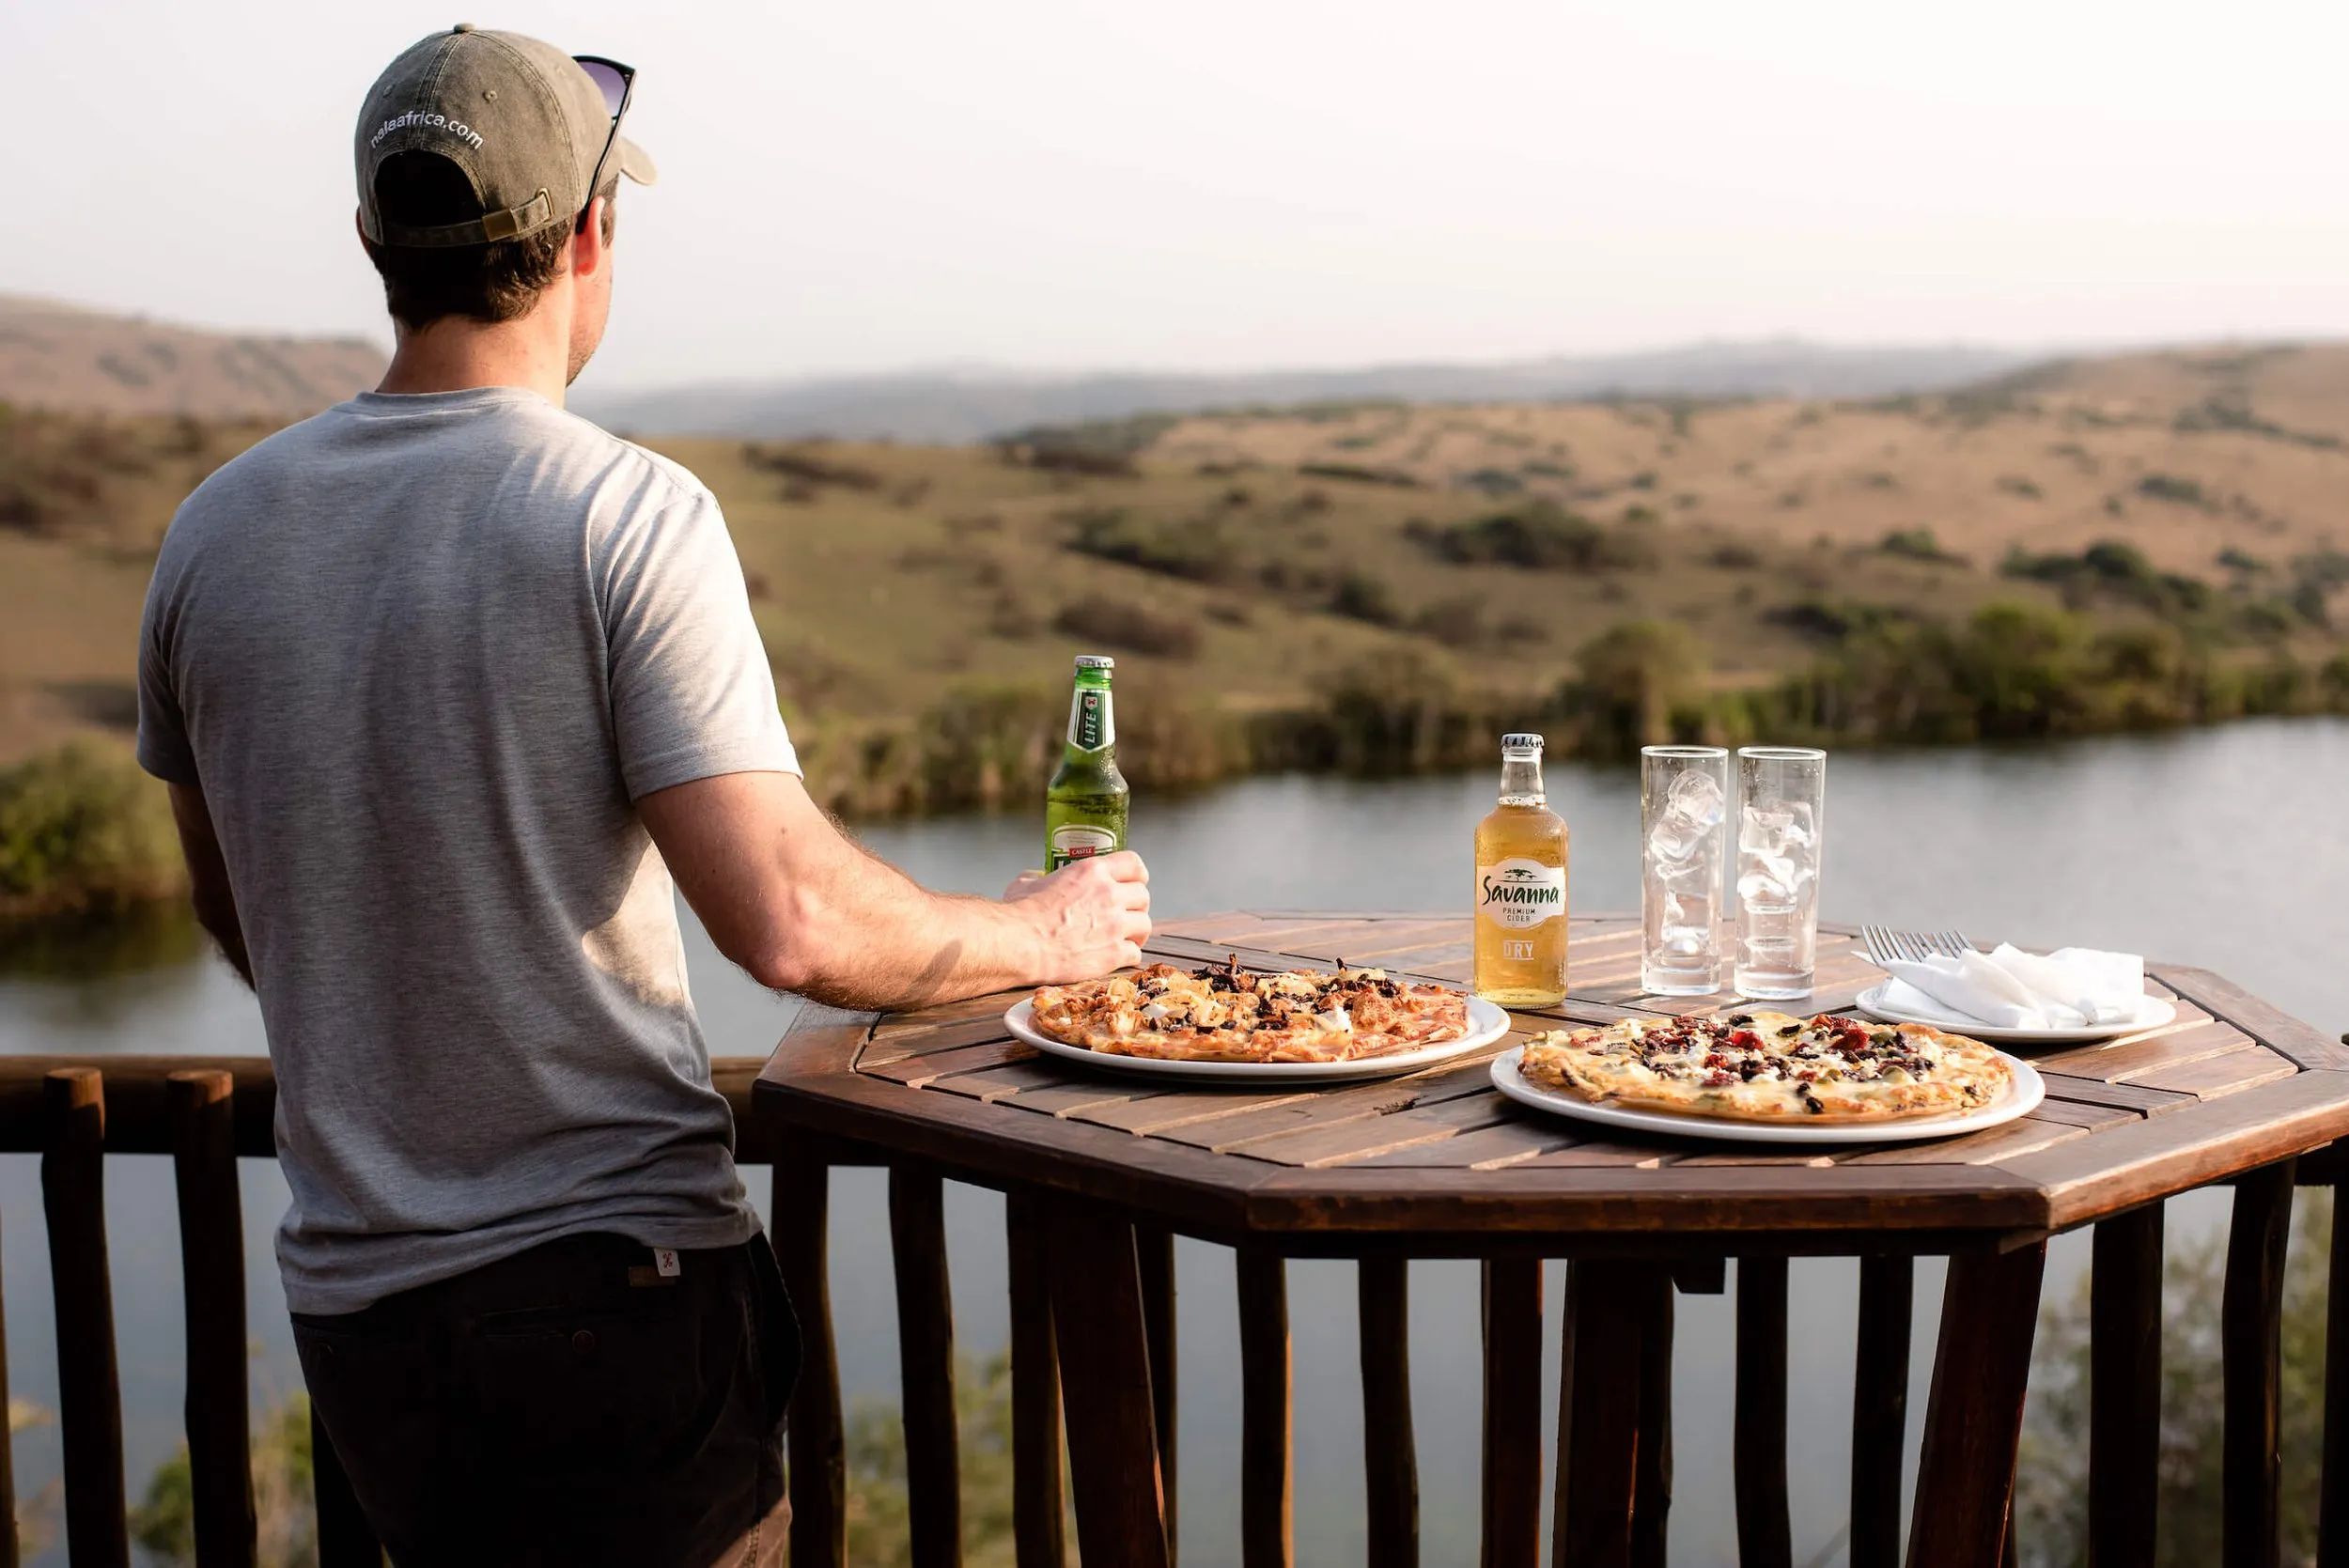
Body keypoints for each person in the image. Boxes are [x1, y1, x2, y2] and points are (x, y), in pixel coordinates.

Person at [133, 26, 1150, 1568]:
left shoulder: (214, 535)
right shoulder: (620, 511)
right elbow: (794, 924)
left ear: (370, 240)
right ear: (592, 234)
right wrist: (1052, 939)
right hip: (614, 1304)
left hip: (359, 1319)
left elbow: (236, 896)